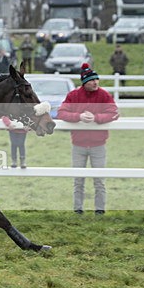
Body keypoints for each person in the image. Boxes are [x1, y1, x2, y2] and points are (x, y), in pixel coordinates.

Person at [56, 65, 120, 215]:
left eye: (97, 79)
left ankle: (100, 210)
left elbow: (114, 113)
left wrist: (96, 118)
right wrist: (78, 117)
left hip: (99, 145)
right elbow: (61, 113)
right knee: (78, 180)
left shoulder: (104, 95)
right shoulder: (73, 96)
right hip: (78, 145)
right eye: (92, 80)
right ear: (84, 82)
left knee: (99, 180)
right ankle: (78, 209)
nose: (95, 82)